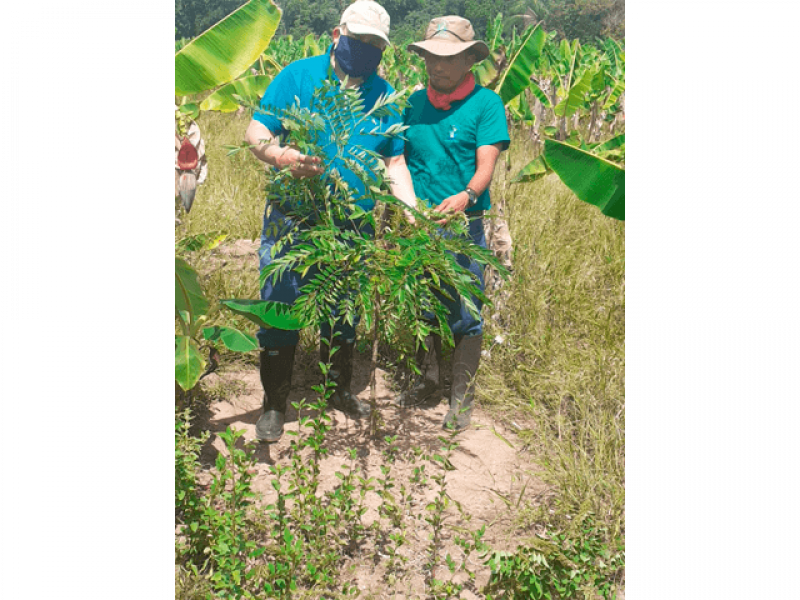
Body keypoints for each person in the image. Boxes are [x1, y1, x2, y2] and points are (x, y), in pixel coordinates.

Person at [244, 1, 417, 442]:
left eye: (374, 44)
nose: (365, 50)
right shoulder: (298, 77)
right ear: (338, 33)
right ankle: (274, 404)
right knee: (282, 303)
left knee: (342, 305)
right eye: (358, 40)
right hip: (293, 217)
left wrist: (414, 213)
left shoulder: (384, 95)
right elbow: (257, 131)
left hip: (351, 222)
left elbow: (394, 162)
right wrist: (280, 155)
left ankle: (337, 389)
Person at [397, 16, 510, 431]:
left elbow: (486, 164)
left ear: (468, 59)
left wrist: (467, 196)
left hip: (465, 224)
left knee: (463, 308)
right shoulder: (413, 104)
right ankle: (427, 381)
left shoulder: (486, 105)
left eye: (446, 58)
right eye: (430, 57)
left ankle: (461, 397)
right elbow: (400, 161)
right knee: (421, 303)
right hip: (417, 223)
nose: (436, 66)